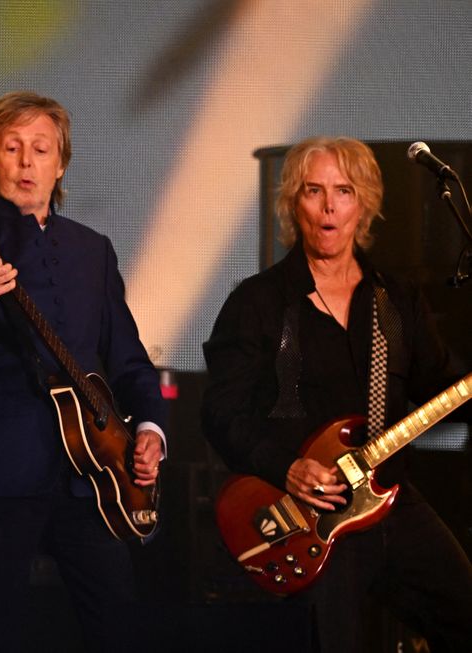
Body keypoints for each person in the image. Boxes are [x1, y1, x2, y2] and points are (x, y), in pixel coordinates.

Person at [0, 90, 168, 652]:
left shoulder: (93, 250)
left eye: (41, 148)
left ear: (61, 163)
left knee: (116, 620)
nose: (27, 161)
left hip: (90, 475)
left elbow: (127, 357)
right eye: (12, 147)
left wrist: (150, 430)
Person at [202, 136, 472, 652]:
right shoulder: (259, 302)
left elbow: (440, 387)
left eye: (343, 191)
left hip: (390, 499)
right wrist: (287, 467)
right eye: (313, 191)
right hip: (308, 518)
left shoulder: (395, 300)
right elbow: (220, 413)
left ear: (364, 204)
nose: (328, 206)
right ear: (293, 203)